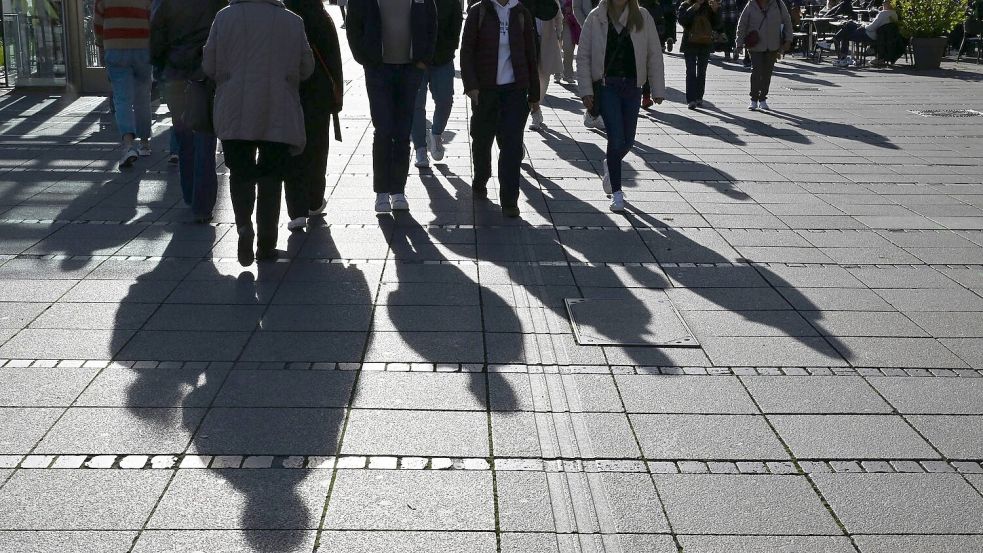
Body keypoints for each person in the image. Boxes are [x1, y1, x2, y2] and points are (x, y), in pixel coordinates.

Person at [203, 0, 314, 265]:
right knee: (272, 176)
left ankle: (243, 225)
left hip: (234, 110)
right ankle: (266, 244)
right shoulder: (293, 21)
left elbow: (208, 64)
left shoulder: (224, 17)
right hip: (277, 109)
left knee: (239, 172)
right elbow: (306, 68)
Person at [347, 0, 437, 213]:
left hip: (410, 68)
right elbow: (353, 25)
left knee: (403, 131)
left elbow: (432, 24)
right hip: (379, 69)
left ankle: (398, 190)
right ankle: (381, 193)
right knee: (384, 130)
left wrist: (424, 59)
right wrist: (365, 58)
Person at [577, 0, 665, 212]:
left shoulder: (642, 16)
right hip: (607, 87)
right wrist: (586, 90)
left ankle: (611, 162)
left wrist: (657, 88)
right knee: (615, 137)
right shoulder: (596, 18)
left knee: (628, 140)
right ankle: (617, 192)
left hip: (633, 87)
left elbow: (654, 53)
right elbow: (584, 56)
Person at [460, 0, 541, 217]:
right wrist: (471, 86)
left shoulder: (521, 12)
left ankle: (509, 200)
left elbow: (531, 56)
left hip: (515, 91)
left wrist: (534, 94)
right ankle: (481, 178)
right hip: (485, 90)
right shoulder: (479, 12)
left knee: (512, 145)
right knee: (482, 139)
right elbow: (466, 51)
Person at [150, 0, 226, 224]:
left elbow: (156, 35)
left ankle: (189, 193)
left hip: (174, 72)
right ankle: (202, 204)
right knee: (204, 135)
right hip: (204, 74)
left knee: (183, 133)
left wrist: (160, 67)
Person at [284, 0, 344, 231]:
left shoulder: (285, 15)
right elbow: (334, 59)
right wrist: (337, 97)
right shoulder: (321, 17)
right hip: (318, 93)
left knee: (292, 148)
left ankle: (296, 209)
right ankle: (315, 200)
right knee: (317, 147)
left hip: (288, 91)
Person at [94, 0, 153, 170]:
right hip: (142, 48)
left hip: (115, 49)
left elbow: (97, 23)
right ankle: (144, 143)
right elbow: (152, 19)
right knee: (143, 97)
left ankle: (128, 146)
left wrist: (101, 44)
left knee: (122, 99)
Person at [412, 0, 463, 168]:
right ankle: (420, 148)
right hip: (416, 58)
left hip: (442, 57)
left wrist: (450, 48)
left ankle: (436, 134)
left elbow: (456, 21)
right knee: (416, 105)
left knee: (445, 100)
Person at [735, 0, 792, 111]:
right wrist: (739, 43)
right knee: (756, 71)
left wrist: (788, 39)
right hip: (755, 45)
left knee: (767, 73)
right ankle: (753, 99)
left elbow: (787, 21)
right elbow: (742, 24)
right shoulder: (751, 4)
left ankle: (763, 99)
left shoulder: (778, 4)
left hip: (773, 44)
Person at [678, 0, 722, 109]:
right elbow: (682, 21)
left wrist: (715, 11)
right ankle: (691, 100)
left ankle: (699, 97)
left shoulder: (710, 6)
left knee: (702, 71)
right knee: (691, 71)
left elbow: (718, 25)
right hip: (690, 43)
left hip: (705, 43)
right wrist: (692, 9)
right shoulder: (686, 5)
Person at [829, 0, 896, 67]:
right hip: (877, 35)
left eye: (884, 2)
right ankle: (835, 41)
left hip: (870, 34)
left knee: (846, 32)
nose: (883, 3)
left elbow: (871, 28)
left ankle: (841, 56)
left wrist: (864, 26)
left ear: (889, 4)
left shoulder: (883, 13)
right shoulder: (894, 14)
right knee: (850, 25)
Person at [530, 0, 564, 130]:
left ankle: (537, 105)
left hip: (547, 40)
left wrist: (559, 33)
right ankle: (535, 110)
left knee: (544, 75)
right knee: (531, 76)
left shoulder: (551, 2)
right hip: (529, 40)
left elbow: (558, 15)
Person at [558, 0, 581, 83]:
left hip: (568, 22)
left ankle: (568, 74)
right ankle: (557, 73)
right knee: (556, 47)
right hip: (553, 19)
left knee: (568, 48)